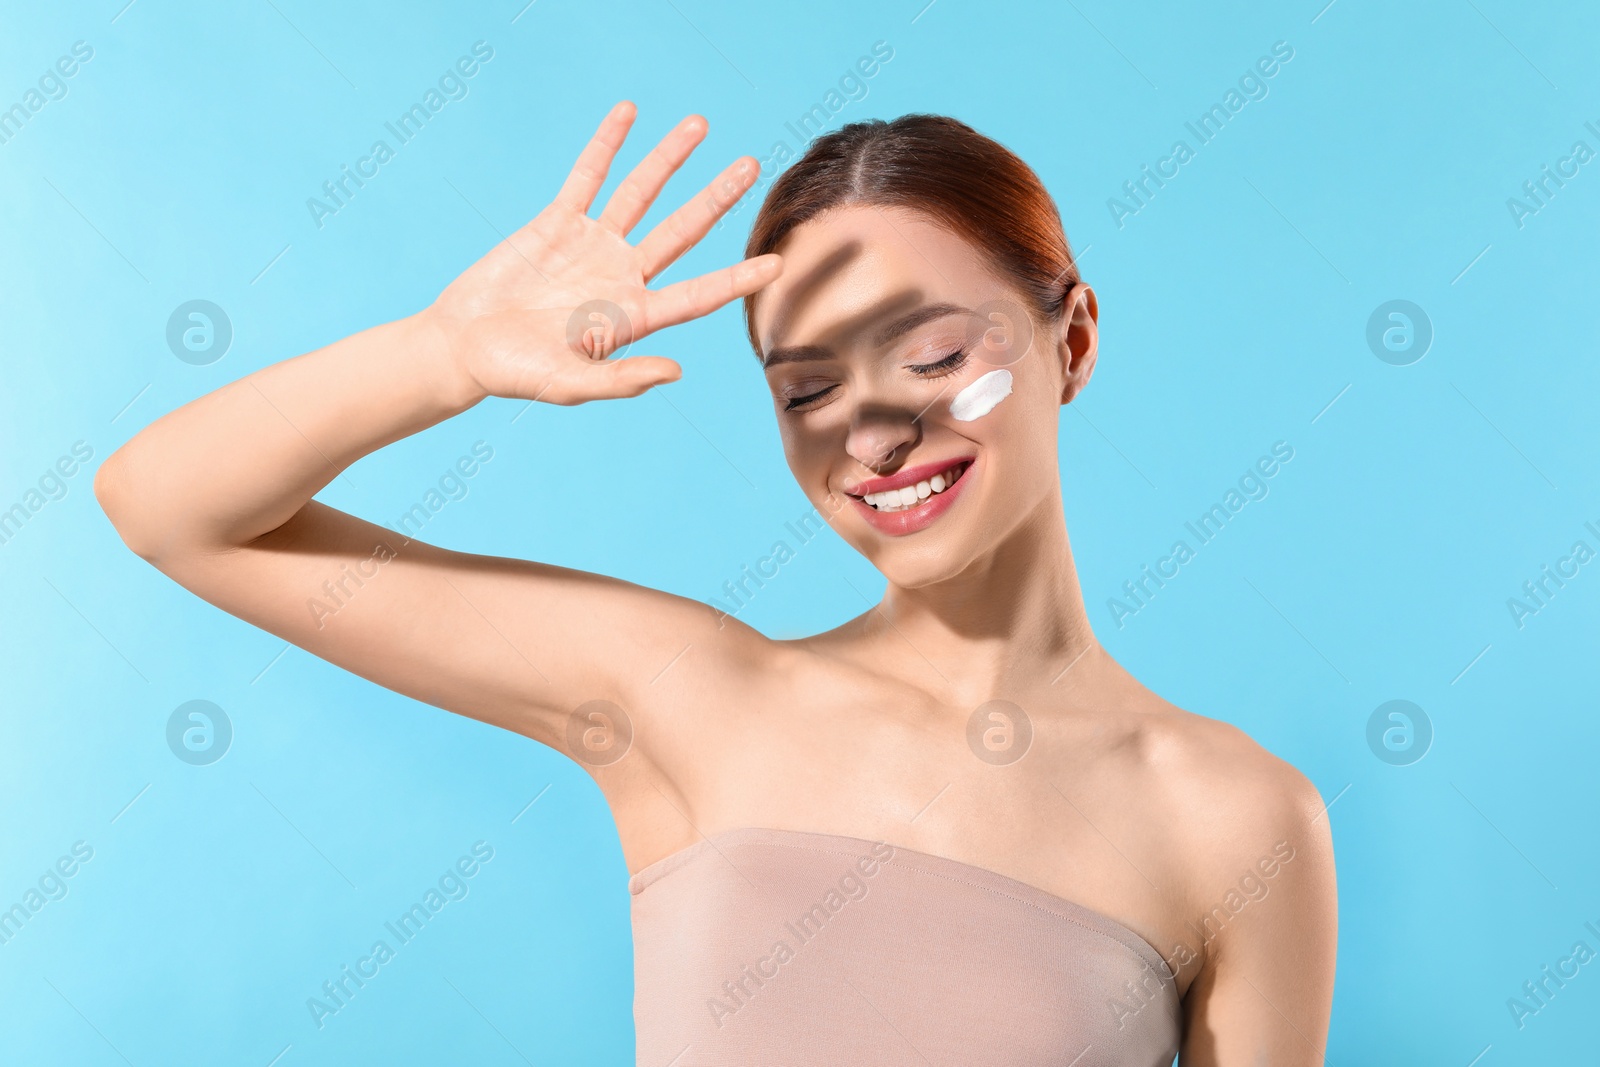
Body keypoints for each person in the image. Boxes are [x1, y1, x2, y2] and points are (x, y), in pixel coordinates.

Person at [95, 101, 1336, 1065]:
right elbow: (170, 509)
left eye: (933, 351)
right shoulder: (684, 695)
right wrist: (443, 355)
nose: (872, 430)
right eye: (807, 389)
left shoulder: (1236, 816)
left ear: (1070, 339)